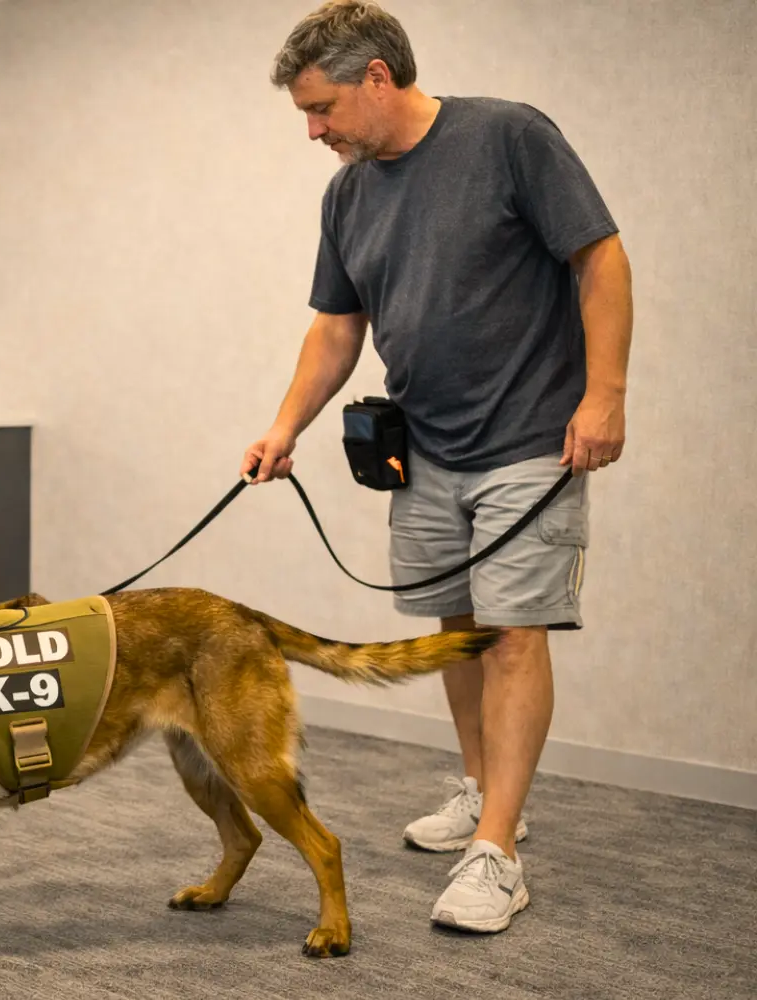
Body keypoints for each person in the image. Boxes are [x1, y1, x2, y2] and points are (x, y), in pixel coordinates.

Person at [243, 0, 633, 934]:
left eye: (322, 108)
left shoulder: (507, 137)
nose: (313, 132)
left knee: (513, 635)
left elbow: (601, 258)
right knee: (456, 632)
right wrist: (285, 425)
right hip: (422, 448)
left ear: (377, 76)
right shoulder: (348, 194)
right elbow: (337, 326)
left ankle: (497, 852)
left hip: (531, 440)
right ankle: (483, 789)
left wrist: (606, 395)